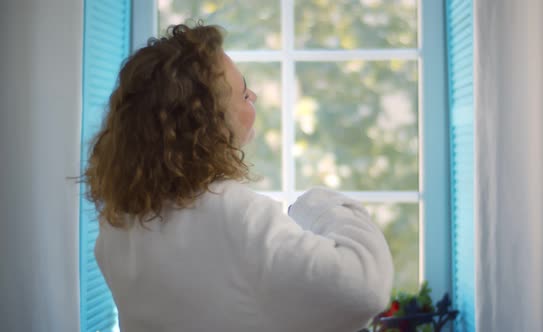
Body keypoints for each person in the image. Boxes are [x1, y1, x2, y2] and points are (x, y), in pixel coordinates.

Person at [85, 22, 393, 332]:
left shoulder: (117, 227)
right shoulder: (234, 214)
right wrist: (321, 206)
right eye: (244, 94)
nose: (255, 95)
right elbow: (362, 289)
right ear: (209, 124)